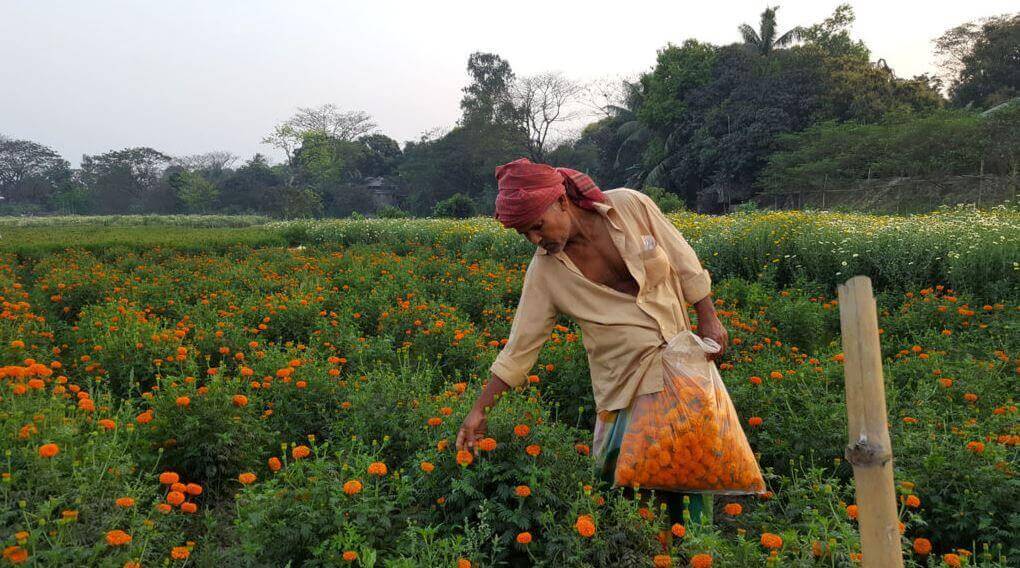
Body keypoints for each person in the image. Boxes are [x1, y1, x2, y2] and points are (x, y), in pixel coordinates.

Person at [455, 158, 729, 524]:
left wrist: (708, 316)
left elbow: (683, 260)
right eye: (525, 234)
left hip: (684, 371)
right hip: (625, 391)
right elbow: (519, 348)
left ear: (562, 202)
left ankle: (696, 552)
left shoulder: (630, 207)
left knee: (693, 480)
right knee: (631, 502)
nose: (536, 239)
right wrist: (479, 410)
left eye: (537, 226)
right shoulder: (546, 272)